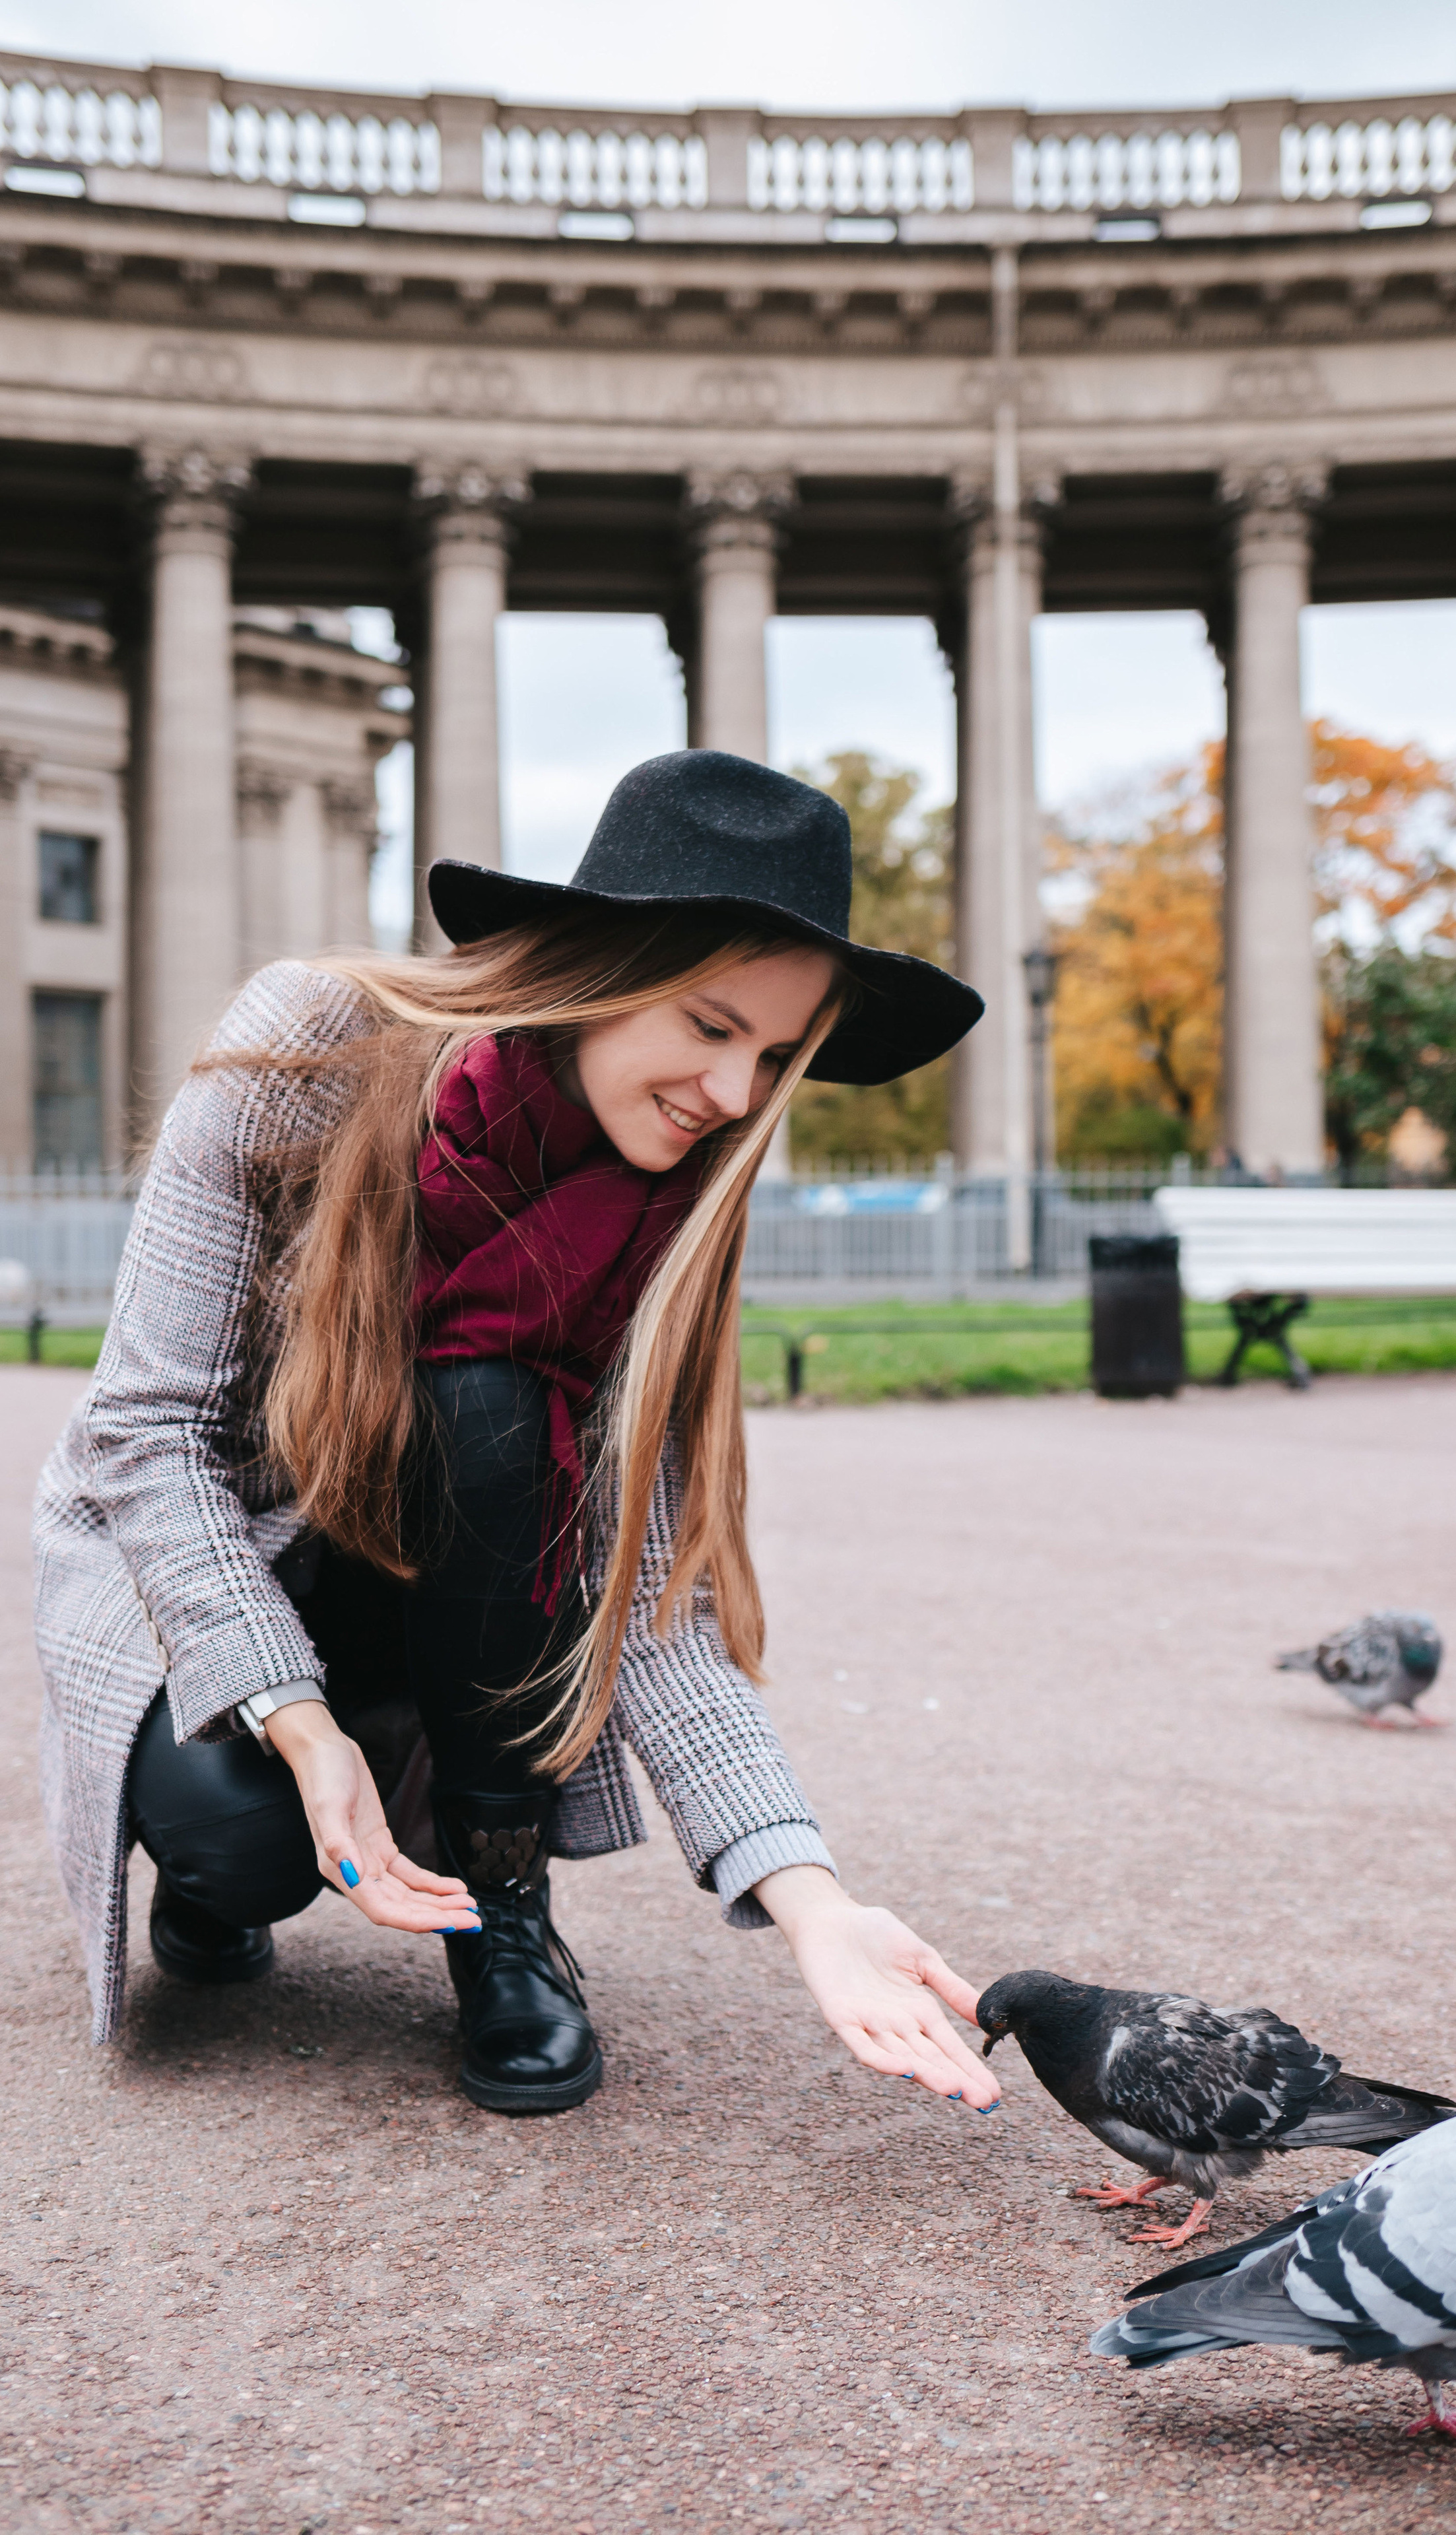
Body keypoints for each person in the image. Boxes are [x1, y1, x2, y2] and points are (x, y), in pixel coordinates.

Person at [35, 749, 1002, 2119]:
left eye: (775, 1059)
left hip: (437, 1587)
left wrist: (811, 1903)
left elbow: (649, 1594)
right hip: (201, 1551)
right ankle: (207, 1863)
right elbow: (147, 1433)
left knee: (494, 1412)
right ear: (596, 967)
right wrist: (305, 1732)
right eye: (711, 1026)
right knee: (245, 1847)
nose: (734, 1098)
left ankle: (502, 1903)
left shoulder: (669, 1222)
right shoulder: (312, 1046)